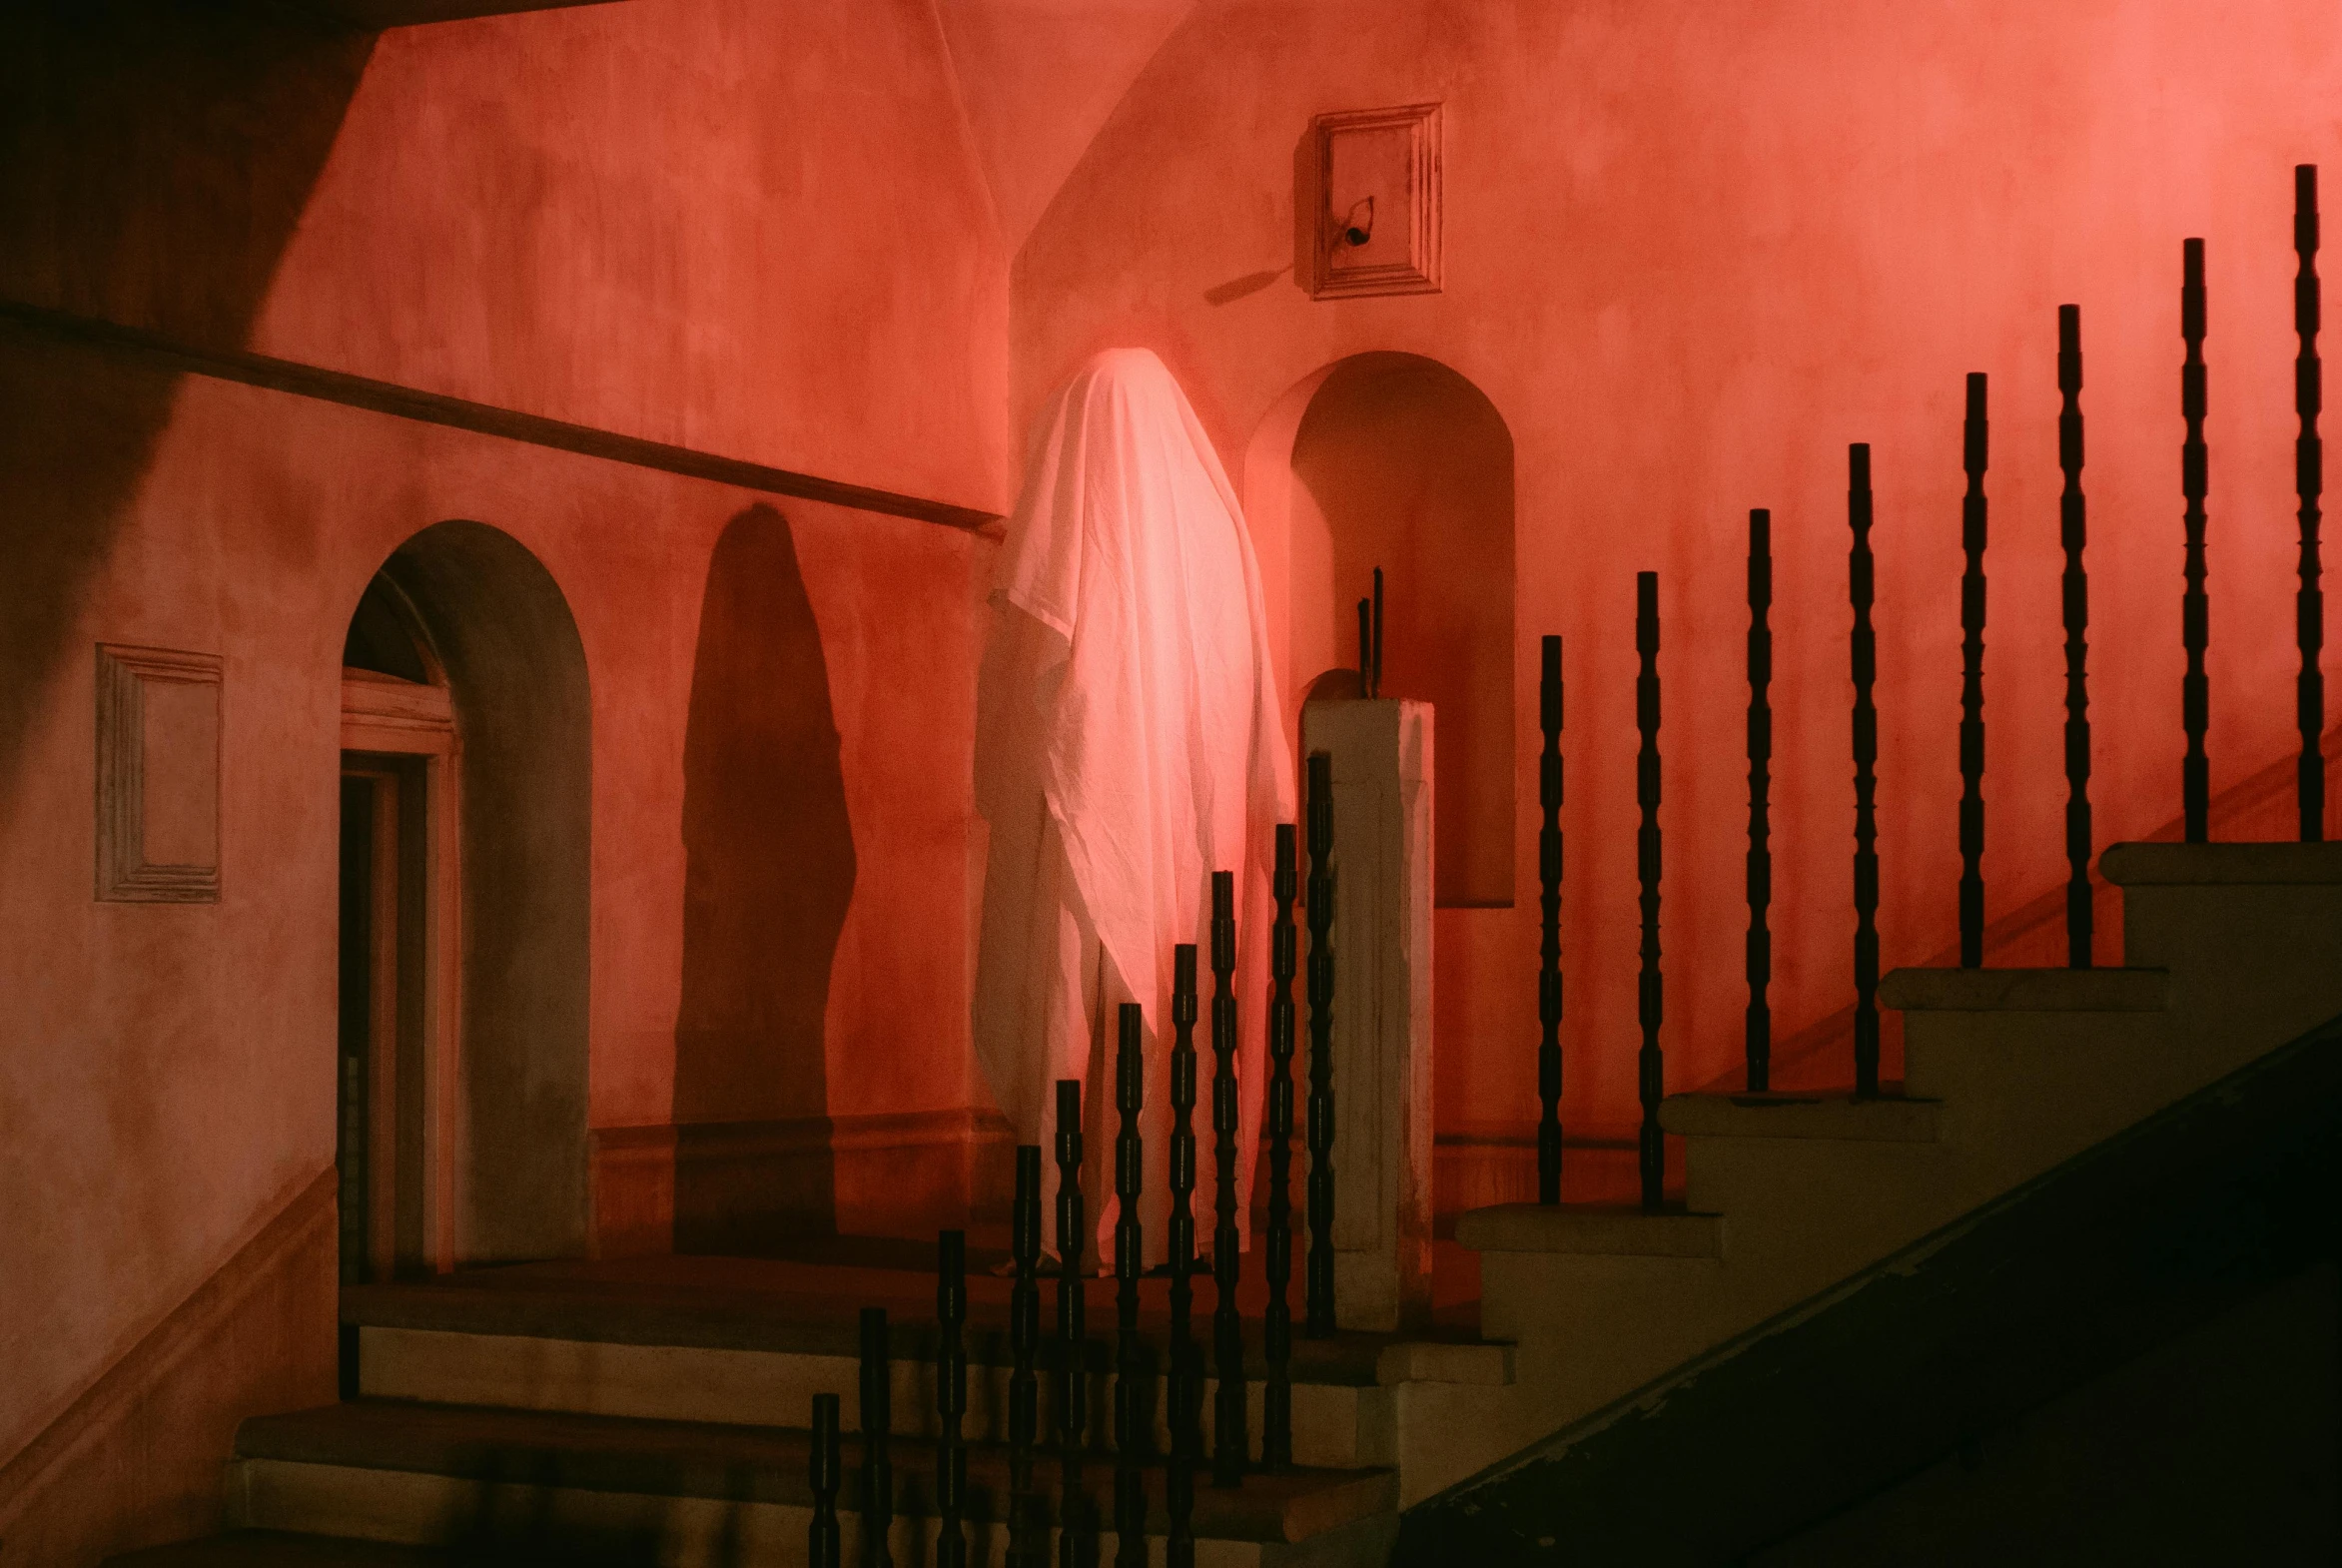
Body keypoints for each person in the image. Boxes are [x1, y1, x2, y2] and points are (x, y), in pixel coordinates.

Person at [974, 348, 1294, 1268]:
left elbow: (1035, 671)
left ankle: (1074, 1214)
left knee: (1081, 990)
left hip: (1093, 821)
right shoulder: (1215, 530)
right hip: (1198, 840)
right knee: (1184, 997)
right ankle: (1181, 1211)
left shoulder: (1085, 521)